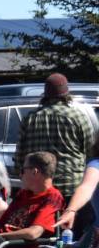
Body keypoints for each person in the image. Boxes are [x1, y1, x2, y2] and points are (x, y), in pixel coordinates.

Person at [14, 73, 95, 201]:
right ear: (67, 94)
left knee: (40, 221)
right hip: (70, 186)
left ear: (45, 94)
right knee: (74, 220)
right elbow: (92, 151)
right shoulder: (78, 117)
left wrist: (25, 178)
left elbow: (19, 156)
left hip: (39, 186)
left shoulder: (30, 118)